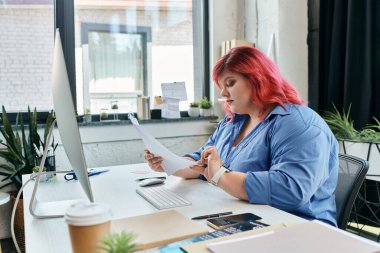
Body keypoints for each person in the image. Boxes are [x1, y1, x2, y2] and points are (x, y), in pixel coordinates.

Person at [144, 46, 339, 226]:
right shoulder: (234, 121)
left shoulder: (299, 125)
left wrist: (221, 176)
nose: (223, 92)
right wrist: (168, 163)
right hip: (248, 217)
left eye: (230, 83)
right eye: (221, 85)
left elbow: (290, 190)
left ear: (258, 79)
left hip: (298, 228)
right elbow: (202, 163)